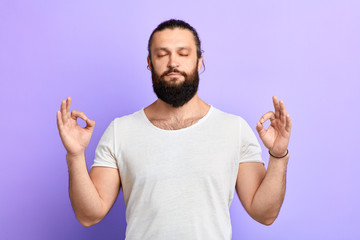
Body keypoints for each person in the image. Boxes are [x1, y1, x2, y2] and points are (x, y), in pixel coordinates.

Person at [56, 19, 291, 240]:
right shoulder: (121, 131)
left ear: (200, 61)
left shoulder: (234, 129)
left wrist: (278, 155)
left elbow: (264, 214)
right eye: (162, 54)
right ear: (149, 63)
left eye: (183, 53)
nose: (173, 63)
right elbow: (89, 215)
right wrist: (75, 156)